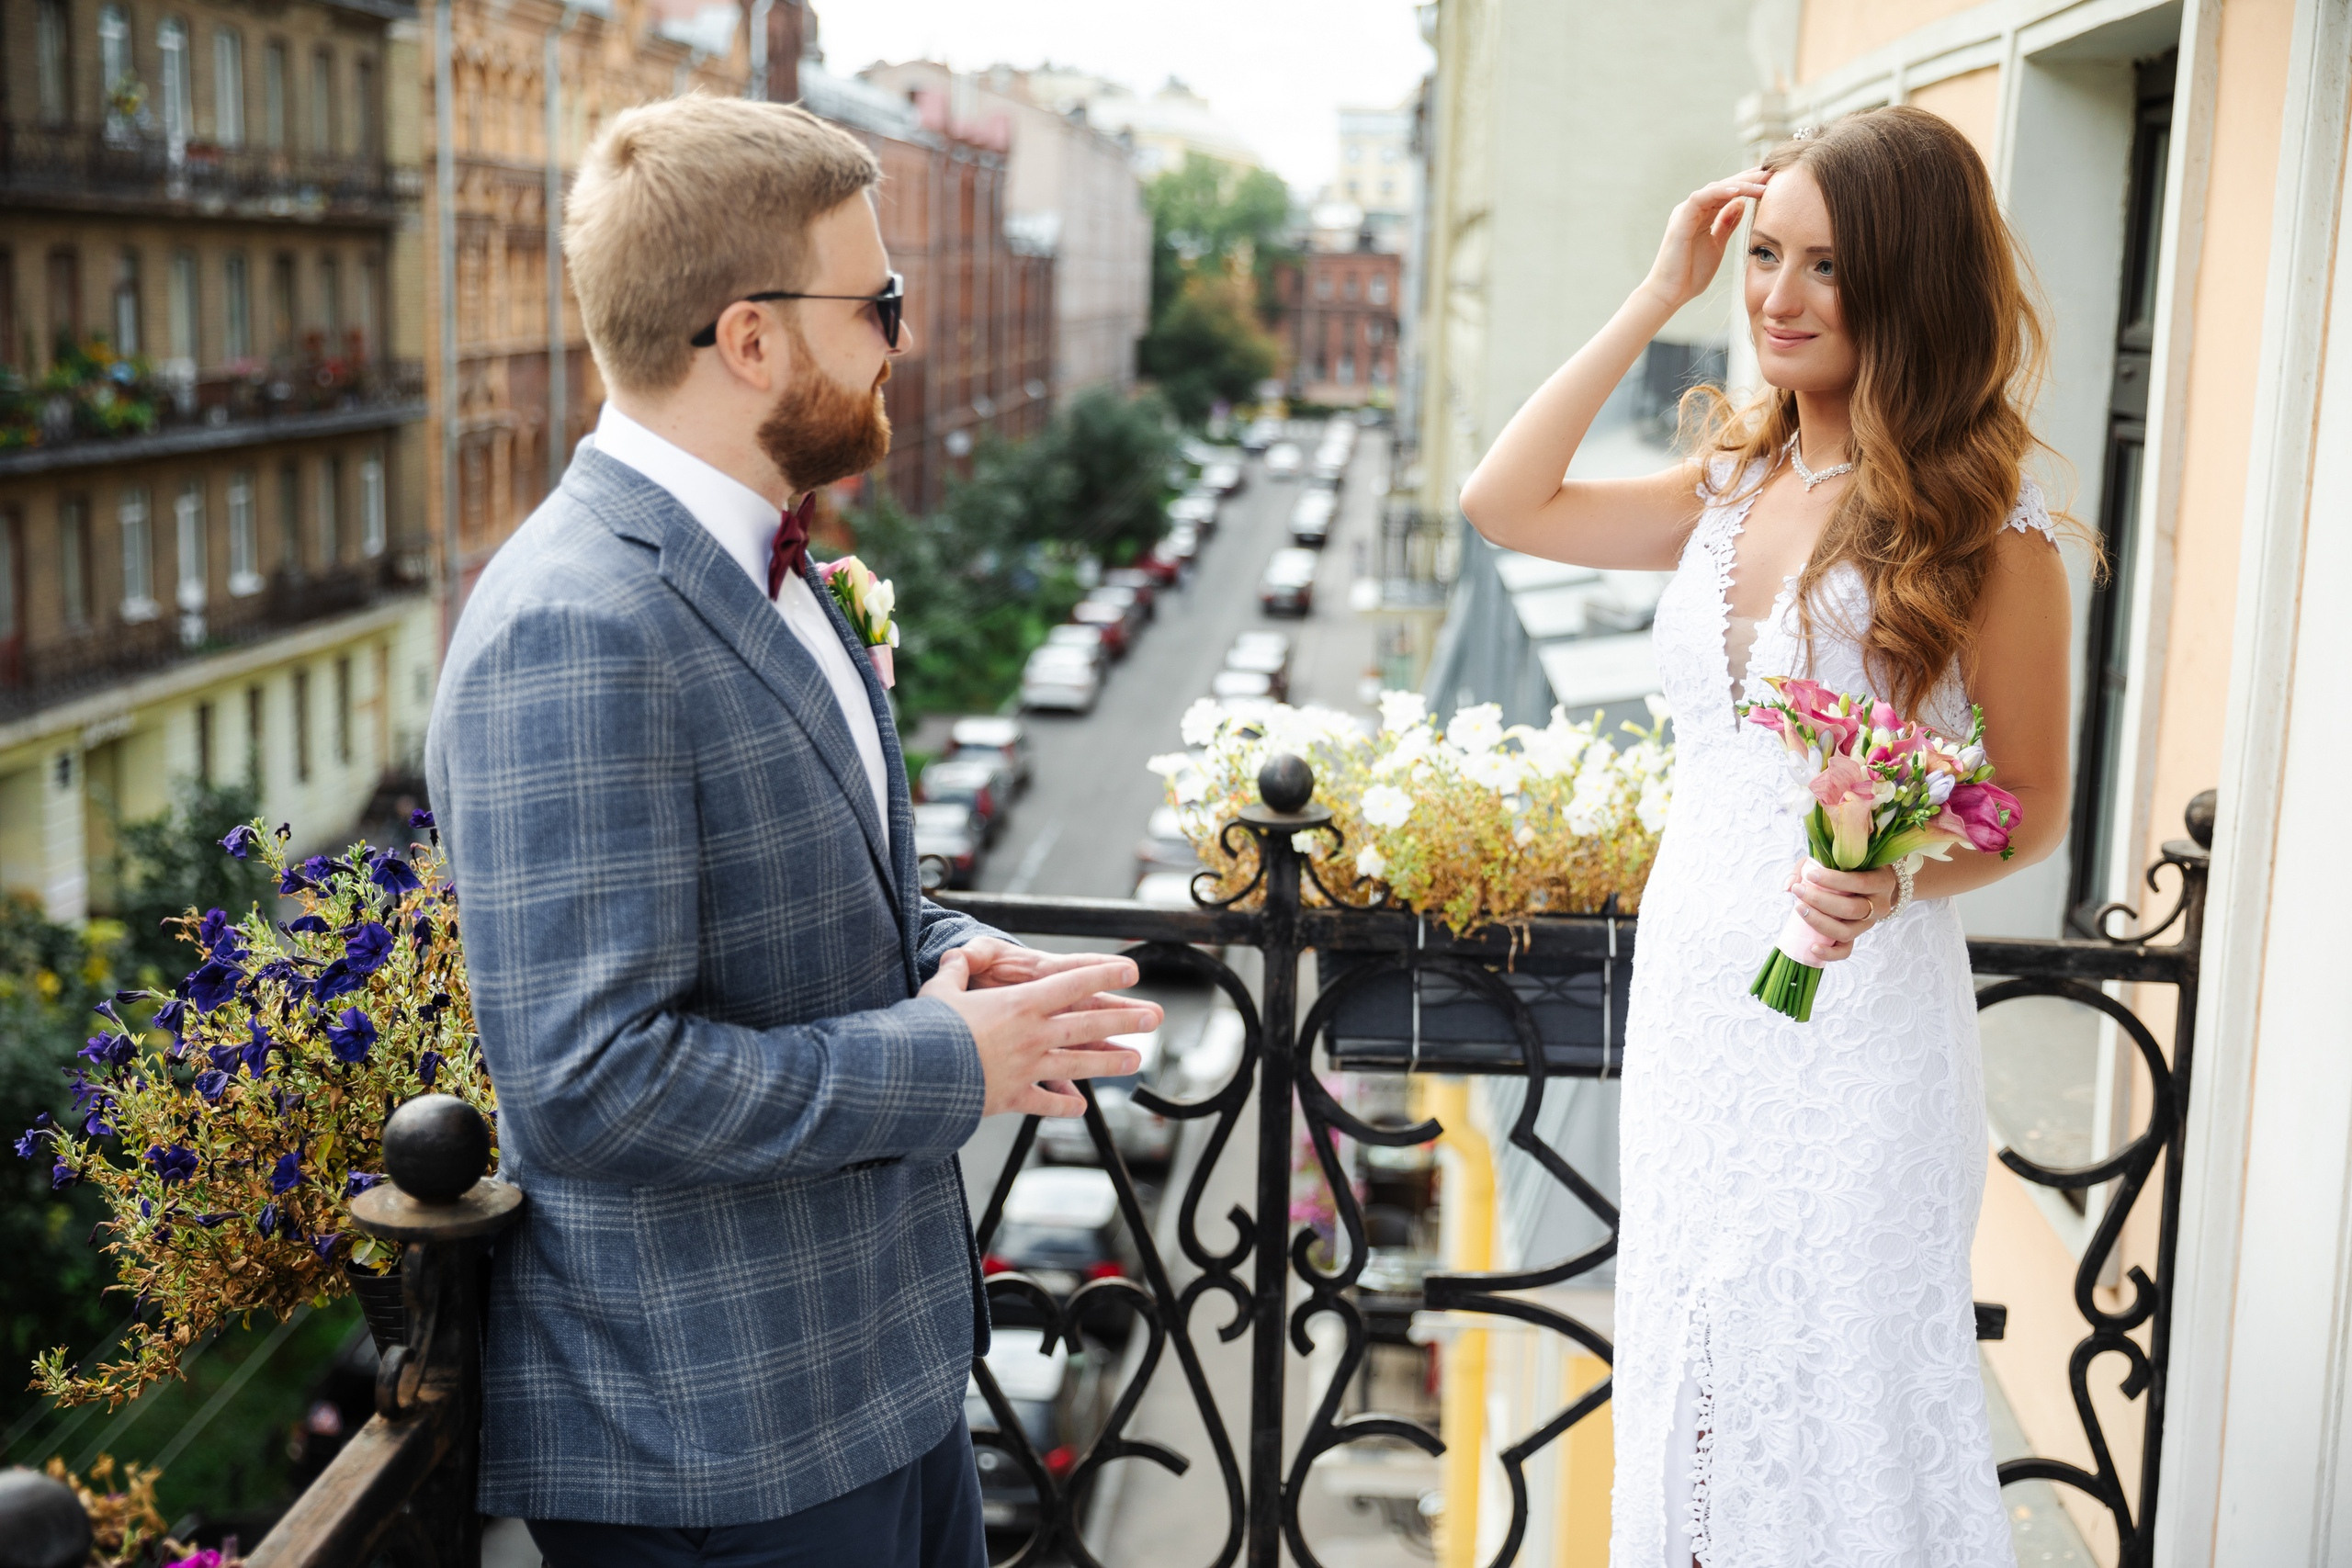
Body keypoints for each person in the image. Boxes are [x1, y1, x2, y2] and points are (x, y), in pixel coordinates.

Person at [424, 95, 1161, 1568]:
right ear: (751, 339)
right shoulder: (575, 622)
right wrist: (947, 1060)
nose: (903, 337)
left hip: (875, 1394)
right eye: (878, 302)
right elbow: (591, 1082)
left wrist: (961, 958)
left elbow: (821, 899)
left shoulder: (771, 556)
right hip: (719, 1452)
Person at [1459, 107, 2071, 1567]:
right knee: (1700, 1360)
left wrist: (1898, 871)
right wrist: (1658, 288)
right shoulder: (1732, 486)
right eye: (1766, 257)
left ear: (1911, 286)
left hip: (1854, 1012)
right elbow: (1506, 501)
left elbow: (2030, 806)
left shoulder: (1997, 527)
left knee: (1843, 1373)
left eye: (1828, 269)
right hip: (1695, 1004)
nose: (1779, 298)